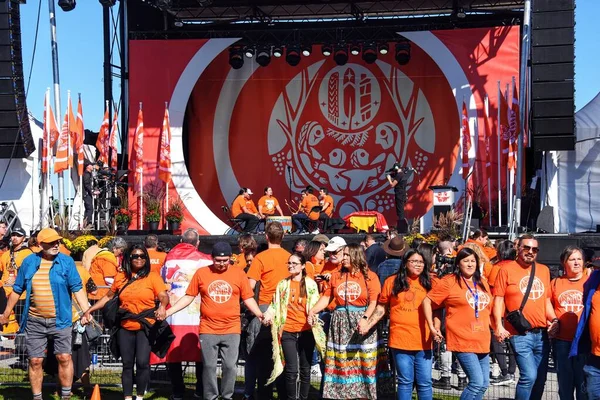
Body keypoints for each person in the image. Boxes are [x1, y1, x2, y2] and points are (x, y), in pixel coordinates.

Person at [162, 242, 265, 400]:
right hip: (208, 328)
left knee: (230, 366)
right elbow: (189, 297)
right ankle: (210, 396)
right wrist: (168, 311)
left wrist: (259, 314)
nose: (222, 264)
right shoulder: (202, 273)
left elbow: (248, 297)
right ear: (212, 258)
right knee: (209, 366)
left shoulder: (239, 274)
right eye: (218, 260)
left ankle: (227, 396)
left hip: (232, 328)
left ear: (230, 258)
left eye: (225, 260)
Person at [0, 228, 90, 400]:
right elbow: (17, 290)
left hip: (61, 320)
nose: (57, 245)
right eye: (51, 242)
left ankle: (65, 396)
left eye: (58, 242)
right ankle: (37, 397)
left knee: (64, 357)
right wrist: (5, 314)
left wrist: (87, 311)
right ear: (41, 245)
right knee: (35, 361)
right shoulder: (29, 262)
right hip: (35, 321)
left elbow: (77, 288)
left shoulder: (66, 262)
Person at [83, 244, 169, 400]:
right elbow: (108, 297)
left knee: (143, 363)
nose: (139, 259)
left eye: (142, 256)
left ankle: (140, 396)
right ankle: (128, 397)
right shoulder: (121, 277)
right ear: (129, 258)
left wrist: (162, 306)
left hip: (145, 326)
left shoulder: (152, 276)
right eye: (135, 256)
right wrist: (90, 310)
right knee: (127, 364)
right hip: (125, 326)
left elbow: (163, 295)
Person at [308, 243, 382, 399]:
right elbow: (327, 297)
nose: (344, 258)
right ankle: (343, 395)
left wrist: (365, 319)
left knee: (364, 363)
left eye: (347, 255)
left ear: (357, 256)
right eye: (344, 255)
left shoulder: (370, 276)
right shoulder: (336, 275)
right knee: (343, 363)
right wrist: (313, 310)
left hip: (362, 323)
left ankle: (364, 396)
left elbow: (374, 302)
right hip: (340, 325)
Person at [492, 234, 559, 400]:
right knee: (529, 376)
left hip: (542, 334)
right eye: (527, 248)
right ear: (518, 248)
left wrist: (555, 319)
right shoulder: (506, 270)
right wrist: (499, 326)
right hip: (519, 333)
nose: (530, 252)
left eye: (534, 249)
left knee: (540, 379)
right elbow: (498, 298)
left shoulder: (543, 270)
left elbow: (546, 300)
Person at [424, 247, 493, 400]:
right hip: (462, 339)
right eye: (465, 261)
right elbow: (428, 301)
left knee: (484, 383)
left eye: (473, 261)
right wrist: (432, 325)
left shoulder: (482, 282)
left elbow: (488, 308)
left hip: (482, 338)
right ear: (458, 264)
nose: (470, 264)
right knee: (476, 382)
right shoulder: (450, 281)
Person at [363, 249, 432, 399]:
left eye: (421, 262)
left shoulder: (431, 283)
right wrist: (368, 324)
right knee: (405, 381)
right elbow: (381, 307)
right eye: (413, 261)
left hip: (425, 341)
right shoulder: (392, 282)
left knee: (425, 382)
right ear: (405, 263)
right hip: (400, 339)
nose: (418, 265)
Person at [263, 253, 326, 400]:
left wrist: (313, 318)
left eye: (294, 263)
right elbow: (275, 304)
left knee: (305, 369)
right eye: (289, 263)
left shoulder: (310, 284)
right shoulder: (282, 284)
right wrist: (268, 315)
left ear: (303, 266)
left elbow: (316, 306)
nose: (290, 266)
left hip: (306, 331)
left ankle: (303, 397)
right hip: (287, 330)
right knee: (291, 370)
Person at [160, 228, 212, 400]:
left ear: (181, 241)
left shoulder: (168, 258)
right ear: (197, 243)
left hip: (173, 313)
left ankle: (177, 391)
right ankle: (200, 389)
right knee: (200, 352)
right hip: (196, 313)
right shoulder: (205, 260)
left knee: (173, 353)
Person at [246, 222, 292, 399]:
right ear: (283, 237)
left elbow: (249, 287)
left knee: (265, 354)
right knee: (282, 352)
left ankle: (264, 393)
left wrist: (254, 309)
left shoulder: (260, 258)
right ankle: (283, 393)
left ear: (266, 236)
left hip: (265, 308)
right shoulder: (289, 257)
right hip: (285, 308)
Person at [550, 246, 587, 400]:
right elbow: (547, 304)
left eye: (579, 259)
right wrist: (552, 320)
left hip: (584, 342)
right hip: (562, 342)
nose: (576, 262)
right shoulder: (556, 283)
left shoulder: (590, 281)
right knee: (565, 386)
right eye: (572, 259)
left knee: (583, 386)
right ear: (564, 262)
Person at [489, 240, 517, 386]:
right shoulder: (517, 267)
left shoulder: (496, 268)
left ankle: (505, 372)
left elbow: (492, 289)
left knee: (497, 340)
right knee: (512, 341)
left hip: (498, 308)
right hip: (514, 309)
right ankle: (512, 372)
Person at [386, 163, 413, 233]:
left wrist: (389, 179)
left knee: (400, 212)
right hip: (402, 194)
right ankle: (403, 227)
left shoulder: (399, 175)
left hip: (399, 194)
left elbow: (392, 185)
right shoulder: (402, 174)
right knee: (401, 211)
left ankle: (402, 229)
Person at [82, 160, 98, 226]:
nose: (92, 166)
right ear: (88, 166)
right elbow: (87, 184)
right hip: (86, 194)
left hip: (88, 194)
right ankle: (86, 224)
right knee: (89, 209)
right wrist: (93, 191)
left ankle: (85, 223)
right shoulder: (86, 174)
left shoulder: (88, 174)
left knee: (89, 209)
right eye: (91, 165)